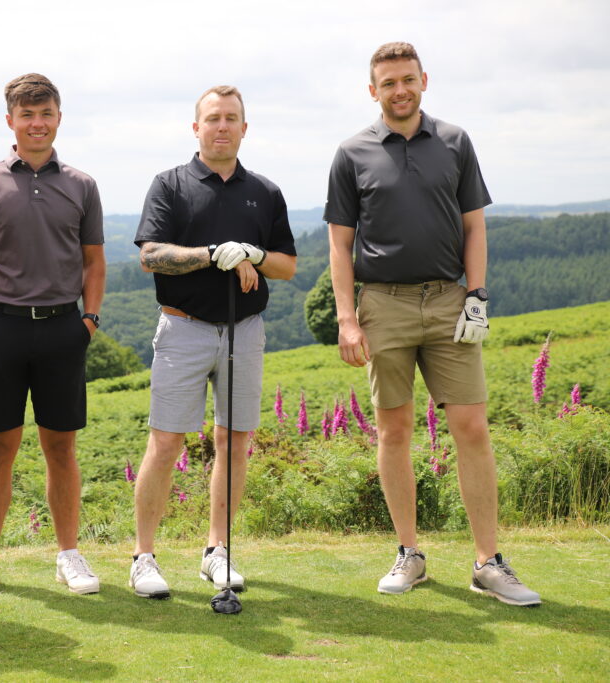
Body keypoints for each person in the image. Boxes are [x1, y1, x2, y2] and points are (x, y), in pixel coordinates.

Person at [325, 42, 540, 606]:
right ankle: (409, 554)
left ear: (424, 80)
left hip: (449, 301)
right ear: (373, 91)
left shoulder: (455, 141)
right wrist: (346, 318)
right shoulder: (351, 153)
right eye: (388, 82)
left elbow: (474, 227)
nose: (400, 90)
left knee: (471, 427)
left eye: (408, 79)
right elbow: (340, 244)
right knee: (394, 431)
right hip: (383, 306)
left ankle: (488, 563)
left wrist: (477, 296)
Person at [130, 86, 297, 598]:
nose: (222, 127)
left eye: (231, 119)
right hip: (183, 329)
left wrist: (251, 252)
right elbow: (151, 255)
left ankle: (216, 551)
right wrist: (213, 253)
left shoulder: (264, 192)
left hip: (243, 331)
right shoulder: (171, 184)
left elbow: (286, 266)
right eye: (212, 119)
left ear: (244, 128)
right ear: (196, 127)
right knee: (166, 442)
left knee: (234, 441)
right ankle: (144, 557)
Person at [0, 73, 106, 600]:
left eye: (45, 114)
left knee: (61, 448)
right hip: (1, 329)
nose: (36, 124)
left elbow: (93, 260)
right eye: (27, 115)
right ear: (10, 121)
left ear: (59, 118)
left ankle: (68, 556)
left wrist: (89, 320)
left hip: (64, 328)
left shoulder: (82, 184)